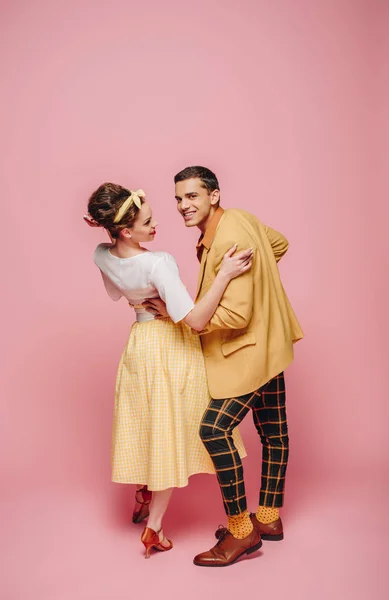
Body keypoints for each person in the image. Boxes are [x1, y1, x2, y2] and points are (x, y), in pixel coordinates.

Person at [146, 166, 304, 567]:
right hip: (271, 340)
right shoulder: (240, 219)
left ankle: (242, 532)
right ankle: (268, 518)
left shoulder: (229, 236)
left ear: (214, 196)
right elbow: (278, 245)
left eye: (192, 196)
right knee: (273, 430)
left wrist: (184, 316)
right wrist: (257, 286)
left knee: (213, 430)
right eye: (179, 198)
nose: (183, 205)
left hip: (248, 350)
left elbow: (233, 316)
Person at [84, 182, 251, 559]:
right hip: (169, 348)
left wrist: (145, 298)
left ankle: (143, 493)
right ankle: (154, 527)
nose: (157, 223)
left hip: (139, 344)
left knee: (147, 422)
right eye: (147, 221)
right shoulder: (159, 262)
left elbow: (116, 294)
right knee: (168, 436)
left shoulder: (101, 253)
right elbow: (194, 320)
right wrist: (223, 275)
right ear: (126, 230)